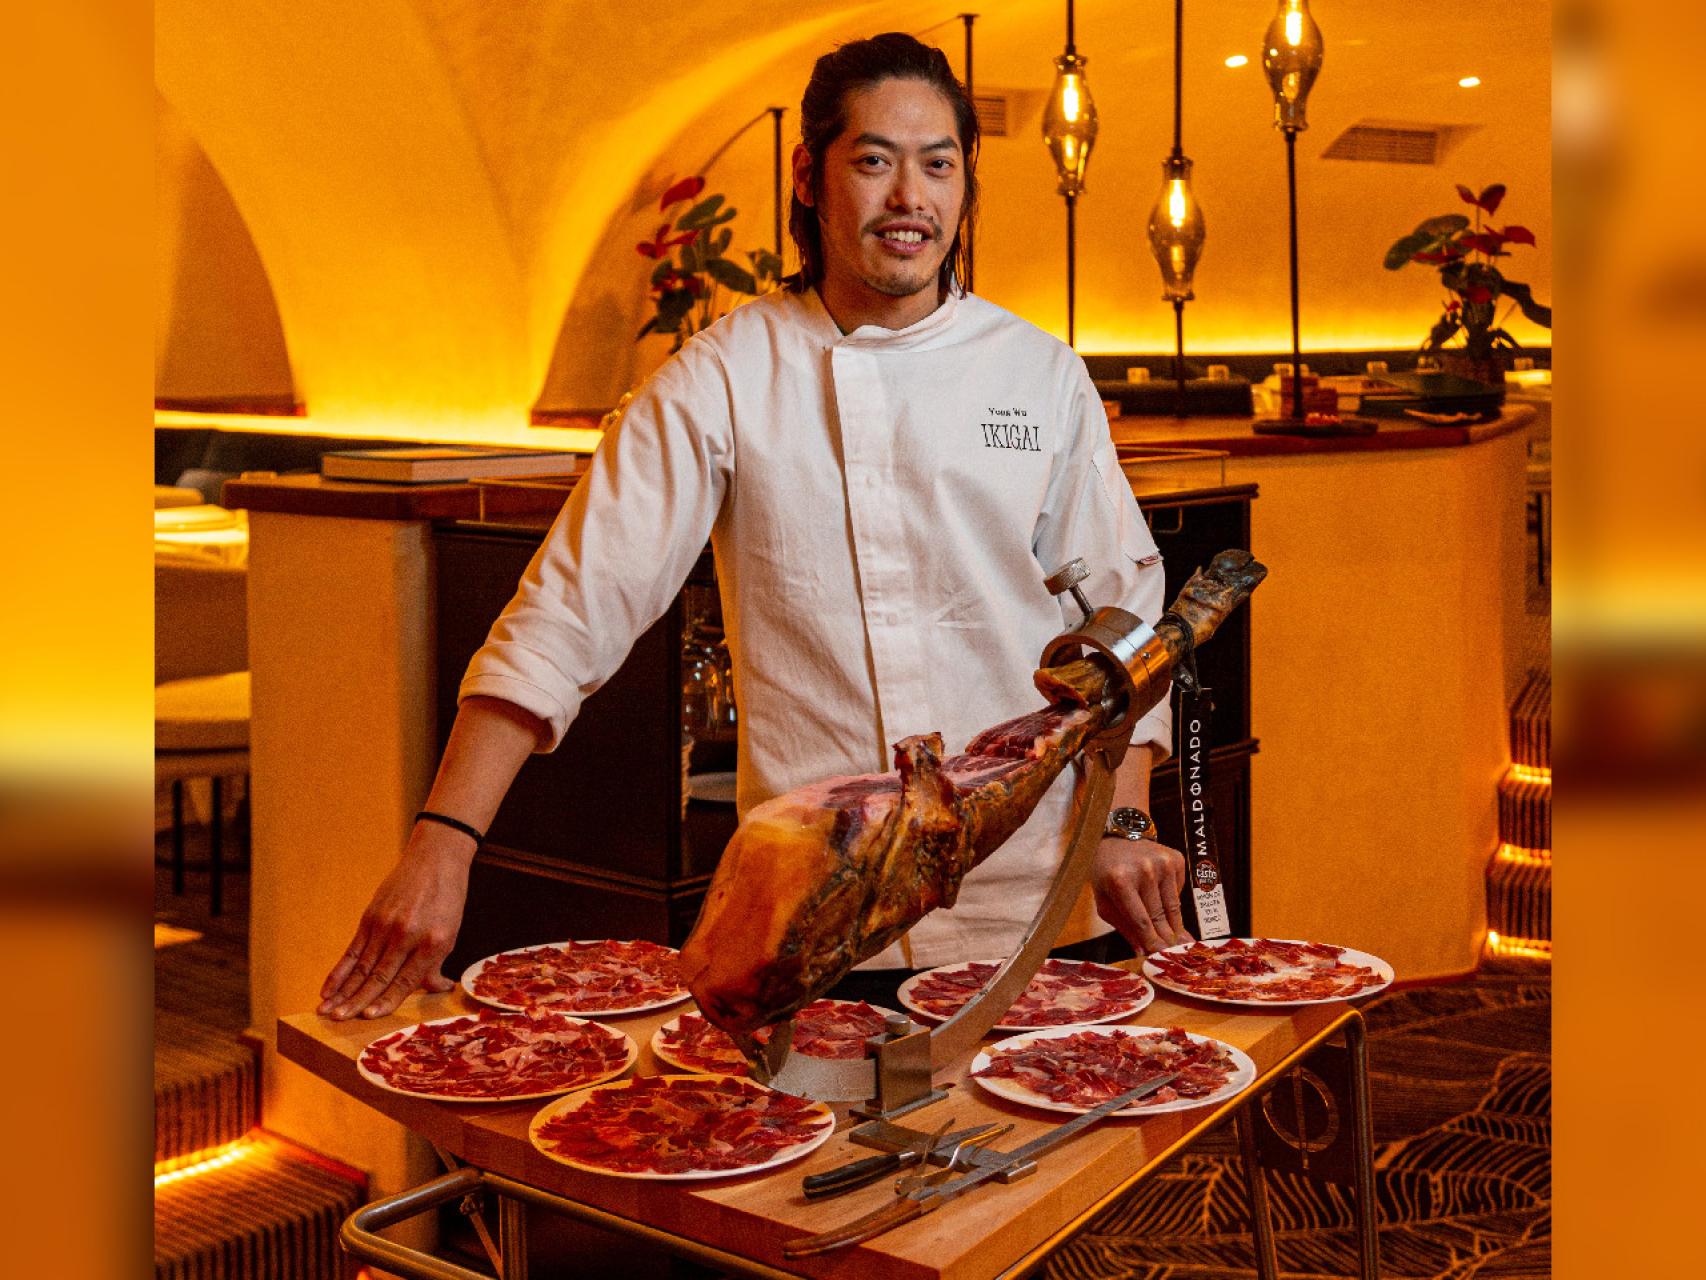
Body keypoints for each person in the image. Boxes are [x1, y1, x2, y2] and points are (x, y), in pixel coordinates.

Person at [319, 32, 1192, 1022]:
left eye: (938, 165)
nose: (910, 197)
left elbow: (1124, 623)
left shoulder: (1038, 374)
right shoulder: (721, 376)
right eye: (874, 161)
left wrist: (1124, 814)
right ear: (809, 176)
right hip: (815, 915)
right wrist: (443, 836)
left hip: (1031, 906)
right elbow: (572, 605)